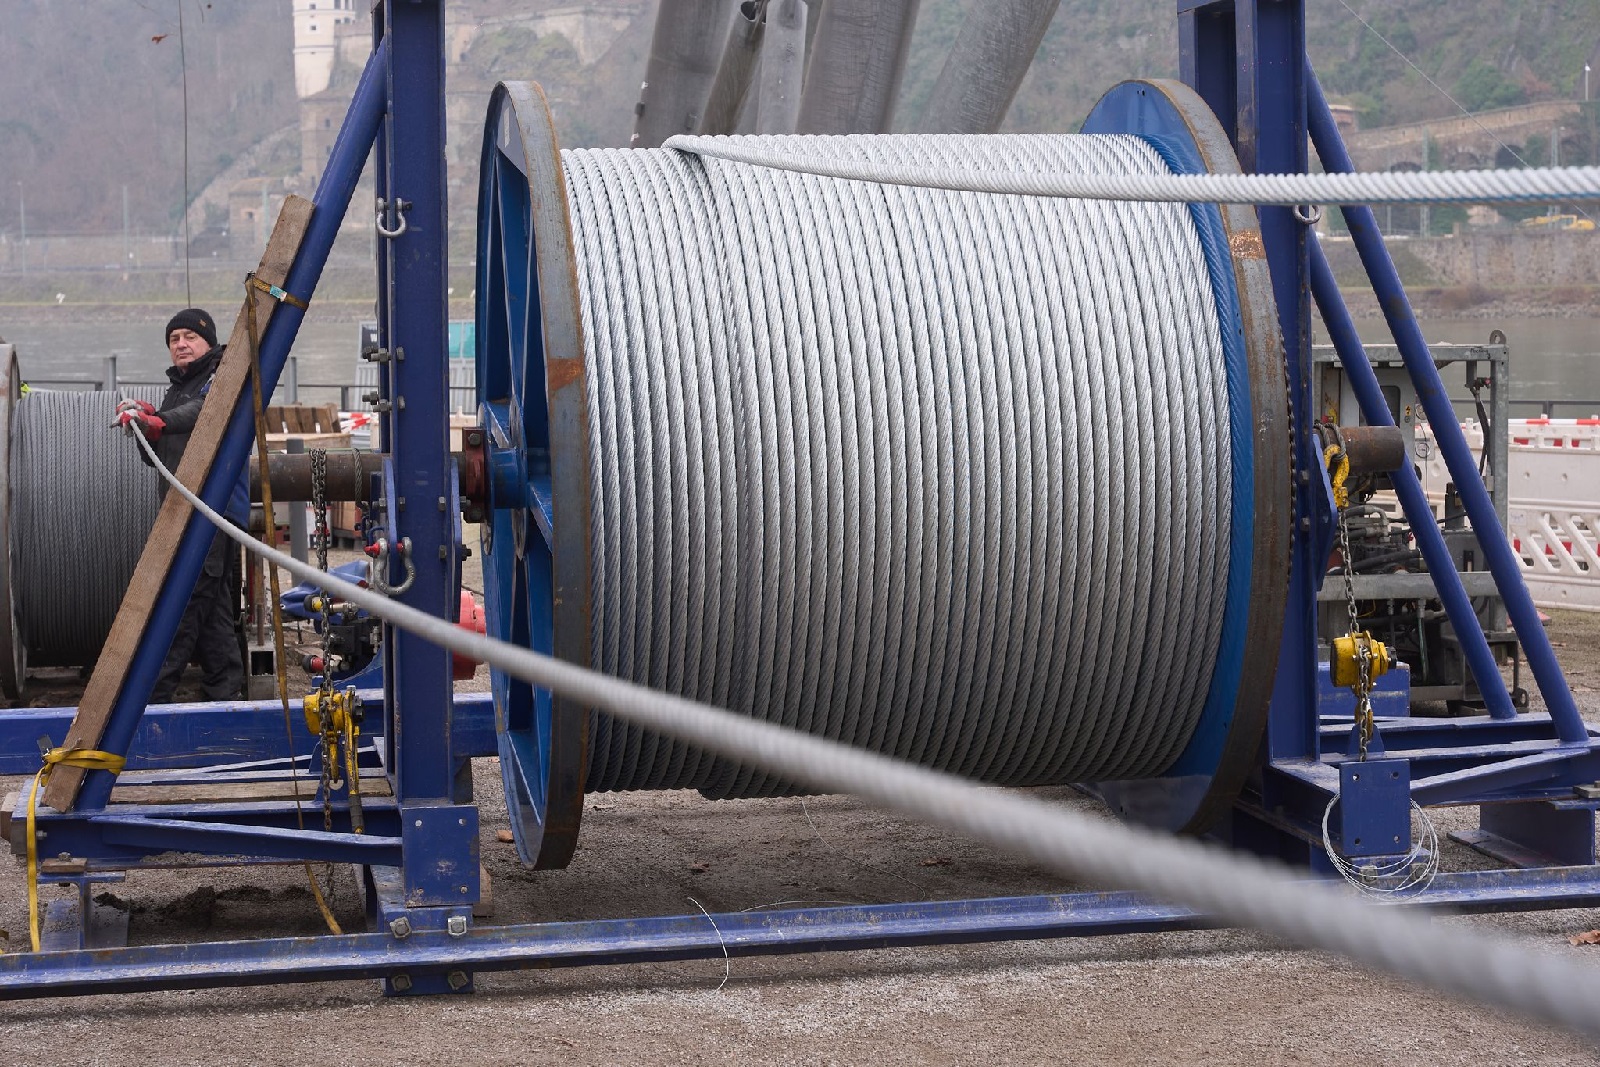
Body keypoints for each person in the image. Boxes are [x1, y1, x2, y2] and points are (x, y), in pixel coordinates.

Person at [117, 308, 249, 702]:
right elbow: (160, 453)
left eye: (189, 336)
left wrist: (162, 420)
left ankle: (153, 697)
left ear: (208, 341)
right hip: (182, 513)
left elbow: (206, 413)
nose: (181, 344)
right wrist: (147, 424)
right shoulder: (177, 389)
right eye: (174, 339)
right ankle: (225, 693)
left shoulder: (221, 378)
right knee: (214, 613)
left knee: (183, 605)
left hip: (211, 513)